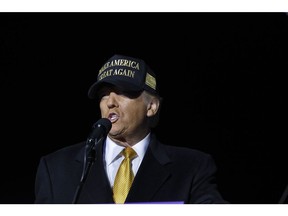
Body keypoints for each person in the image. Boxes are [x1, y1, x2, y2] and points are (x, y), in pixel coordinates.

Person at [34, 54, 228, 204]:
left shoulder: (191, 167)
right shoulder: (56, 168)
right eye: (103, 95)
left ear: (151, 107)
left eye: (122, 92)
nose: (110, 102)